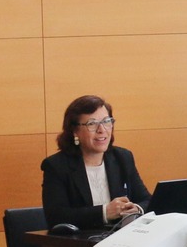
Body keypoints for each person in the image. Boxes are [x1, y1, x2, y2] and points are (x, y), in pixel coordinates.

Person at [41, 94, 151, 229]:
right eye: (92, 124)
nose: (102, 130)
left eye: (106, 121)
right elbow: (56, 217)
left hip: (123, 241)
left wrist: (136, 209)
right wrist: (105, 212)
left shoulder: (122, 157)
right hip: (80, 245)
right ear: (75, 131)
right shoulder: (56, 166)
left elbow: (147, 200)